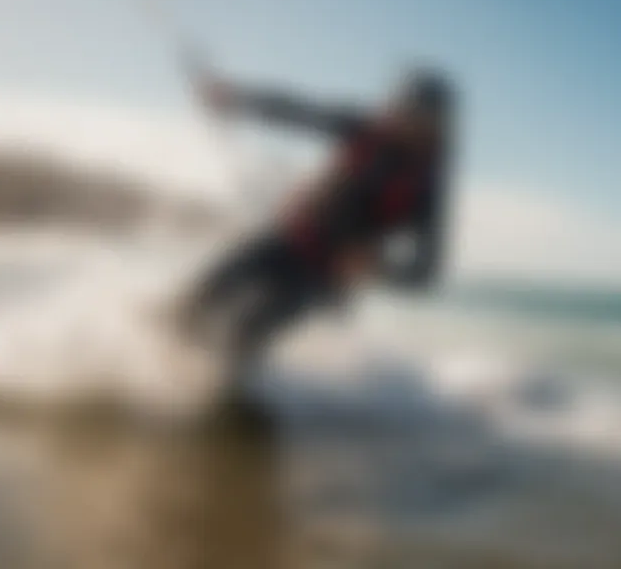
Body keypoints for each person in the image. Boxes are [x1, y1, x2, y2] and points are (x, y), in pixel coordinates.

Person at [183, 66, 456, 377]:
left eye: (421, 117)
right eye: (404, 108)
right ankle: (152, 372)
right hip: (287, 237)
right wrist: (236, 98)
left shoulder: (425, 191)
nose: (405, 120)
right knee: (202, 297)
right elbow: (298, 111)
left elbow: (425, 273)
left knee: (245, 334)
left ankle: (211, 393)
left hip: (321, 277)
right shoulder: (364, 130)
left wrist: (380, 268)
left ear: (438, 127)